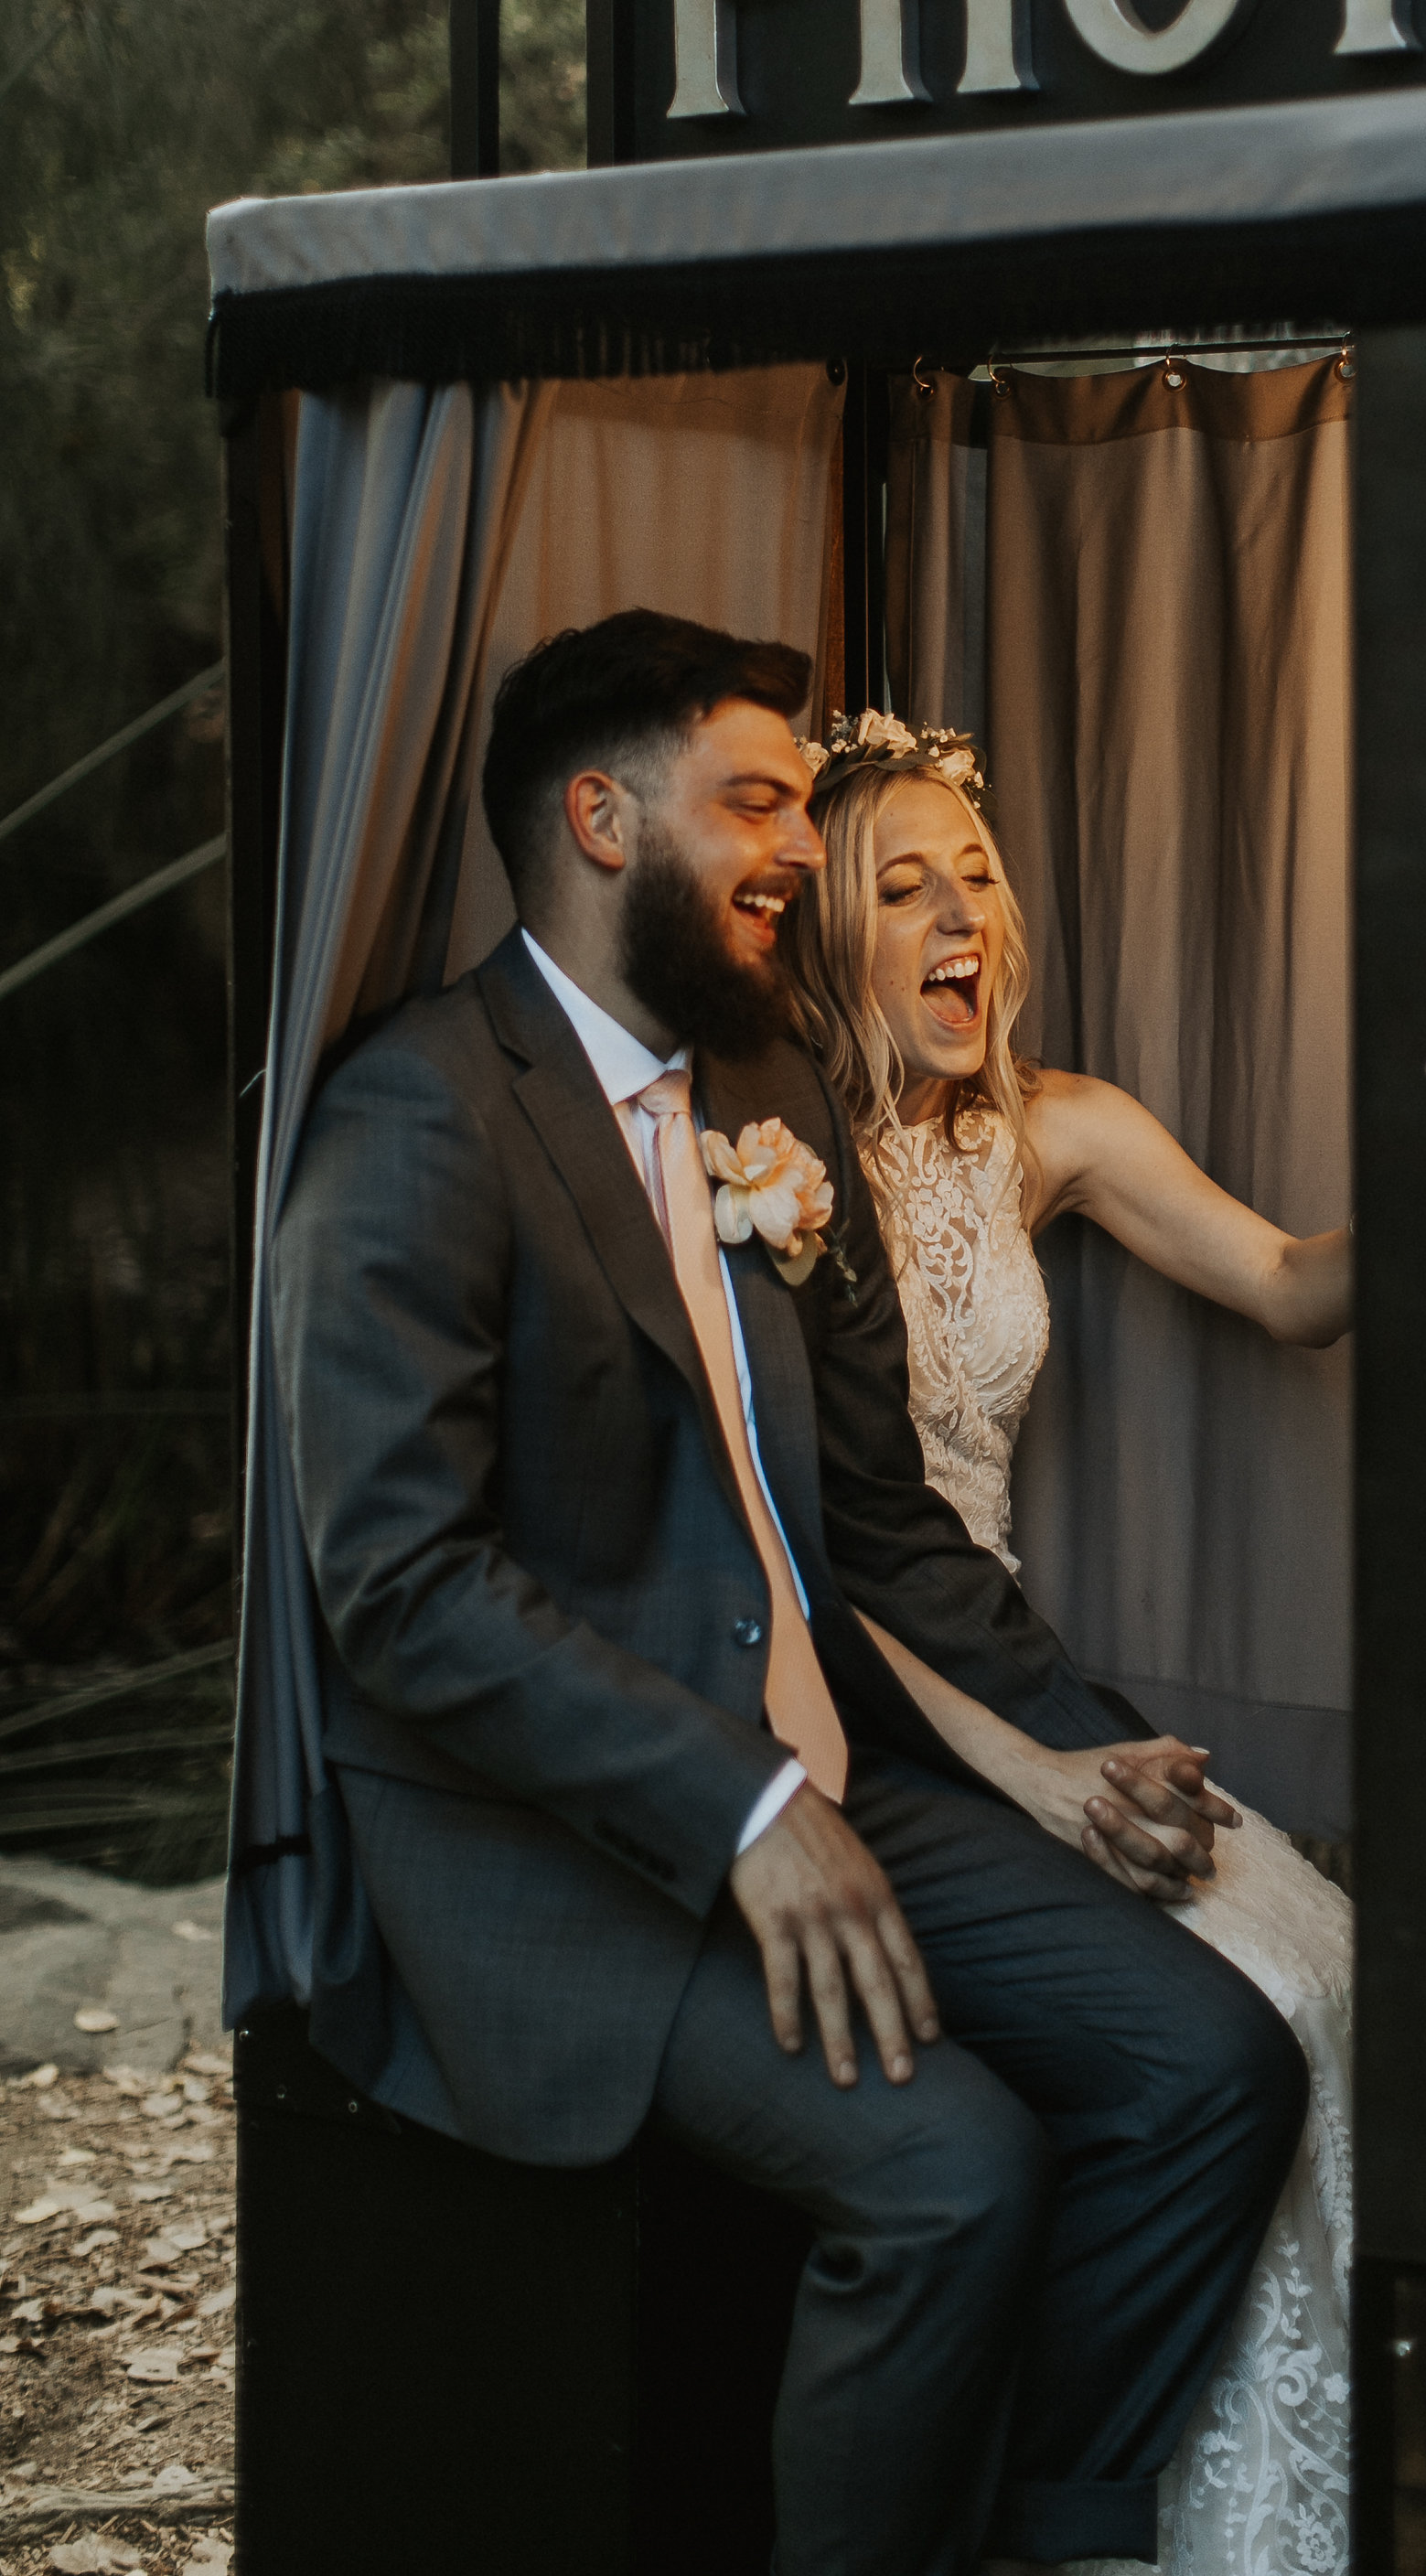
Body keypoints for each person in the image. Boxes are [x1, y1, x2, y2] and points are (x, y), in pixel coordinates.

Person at [270, 610, 1311, 2576]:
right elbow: (402, 1591)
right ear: (602, 821)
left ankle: (1044, 2536)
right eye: (755, 803)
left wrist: (1078, 1754)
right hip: (556, 1852)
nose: (797, 850)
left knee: (1213, 2069)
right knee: (955, 2171)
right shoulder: (420, 1115)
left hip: (836, 1775)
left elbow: (882, 1518)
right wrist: (742, 1810)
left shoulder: (772, 1092)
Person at [786, 713, 1356, 2576]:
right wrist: (1030, 1773)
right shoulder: (763, 1167)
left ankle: (1267, 2511)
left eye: (978, 875)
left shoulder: (1049, 1131)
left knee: (1329, 1968)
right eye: (905, 887)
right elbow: (801, 1545)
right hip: (879, 1707)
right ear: (823, 933)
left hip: (1017, 1664)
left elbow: (1292, 1287)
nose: (964, 916)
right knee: (1236, 2027)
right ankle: (1090, 2521)